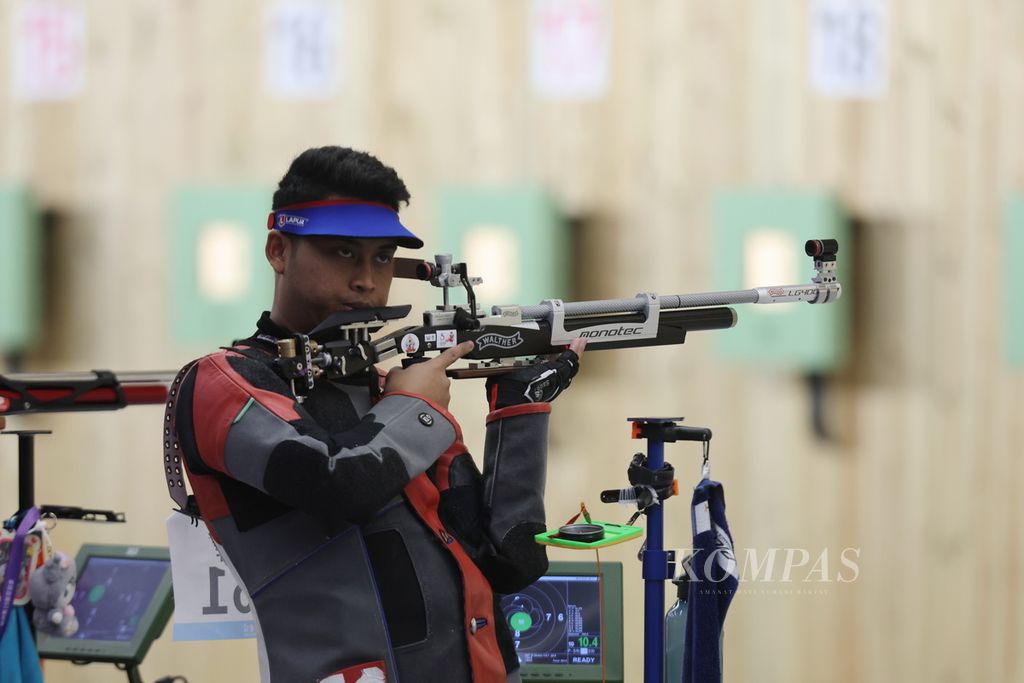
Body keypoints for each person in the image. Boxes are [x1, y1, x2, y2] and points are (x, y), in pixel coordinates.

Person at [170, 146, 585, 682]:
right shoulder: (224, 382)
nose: (367, 278)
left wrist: (520, 407)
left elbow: (510, 561)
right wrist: (416, 406)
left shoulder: (397, 401)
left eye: (383, 256)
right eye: (343, 252)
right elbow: (338, 482)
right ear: (278, 250)